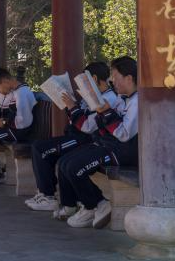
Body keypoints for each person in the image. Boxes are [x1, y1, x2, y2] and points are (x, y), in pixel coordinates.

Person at [54, 56, 139, 228]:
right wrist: (101, 111)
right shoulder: (122, 98)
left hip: (123, 152)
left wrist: (105, 112)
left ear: (129, 78)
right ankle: (85, 205)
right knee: (64, 162)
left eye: (115, 77)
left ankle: (96, 204)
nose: (112, 81)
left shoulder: (138, 102)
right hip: (109, 146)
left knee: (75, 167)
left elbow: (123, 134)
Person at [25, 61, 121, 212]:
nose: (83, 88)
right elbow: (77, 120)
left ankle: (50, 197)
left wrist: (72, 107)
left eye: (84, 83)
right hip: (78, 136)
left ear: (94, 79)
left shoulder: (109, 98)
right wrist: (70, 105)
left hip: (87, 139)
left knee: (43, 150)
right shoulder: (94, 96)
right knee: (41, 148)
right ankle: (63, 201)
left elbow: (87, 127)